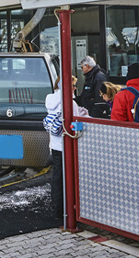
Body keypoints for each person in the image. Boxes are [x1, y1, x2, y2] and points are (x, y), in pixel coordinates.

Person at [44, 75, 88, 223]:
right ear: (68, 87)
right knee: (69, 177)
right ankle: (68, 209)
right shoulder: (69, 102)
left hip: (55, 144)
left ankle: (57, 208)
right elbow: (75, 121)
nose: (75, 89)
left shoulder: (50, 99)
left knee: (57, 176)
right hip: (67, 144)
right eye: (73, 86)